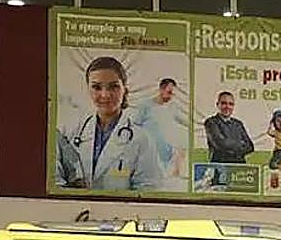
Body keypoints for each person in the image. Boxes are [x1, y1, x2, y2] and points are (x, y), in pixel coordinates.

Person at [56, 56, 162, 191]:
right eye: (96, 87)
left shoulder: (141, 140)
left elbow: (148, 191)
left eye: (113, 87)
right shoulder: (70, 133)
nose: (105, 95)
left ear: (125, 90)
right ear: (88, 90)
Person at [128, 77, 188, 178]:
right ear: (161, 89)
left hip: (166, 154)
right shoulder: (145, 106)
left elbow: (178, 124)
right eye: (169, 92)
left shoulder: (172, 107)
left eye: (173, 94)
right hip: (149, 155)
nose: (171, 96)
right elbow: (135, 126)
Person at [202, 92, 255, 164]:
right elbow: (221, 144)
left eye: (231, 104)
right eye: (224, 103)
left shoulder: (238, 124)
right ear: (217, 105)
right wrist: (239, 144)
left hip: (239, 166)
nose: (227, 107)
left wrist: (229, 144)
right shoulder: (211, 122)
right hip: (220, 166)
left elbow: (250, 147)